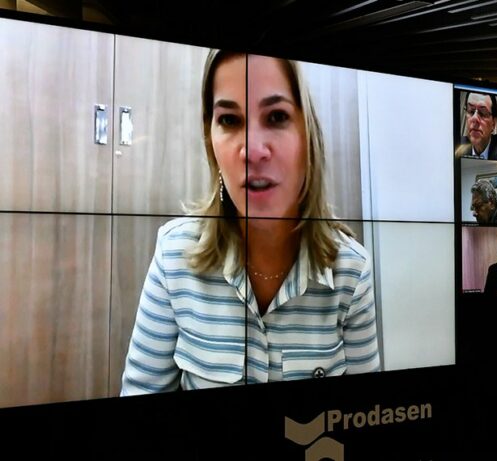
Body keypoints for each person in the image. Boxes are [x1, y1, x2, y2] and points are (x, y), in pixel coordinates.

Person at [120, 52, 380, 395]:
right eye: (229, 120)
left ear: (307, 136)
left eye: (276, 116)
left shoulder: (351, 271)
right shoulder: (174, 255)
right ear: (210, 141)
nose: (253, 151)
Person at [457, 92, 497, 162]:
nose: (474, 118)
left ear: (493, 123)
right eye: (471, 111)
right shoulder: (456, 145)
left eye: (482, 113)